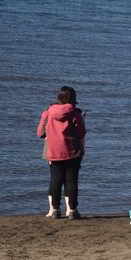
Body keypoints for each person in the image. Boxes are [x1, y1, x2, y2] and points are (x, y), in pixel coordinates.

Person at [37, 85, 86, 219]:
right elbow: (81, 133)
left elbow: (40, 132)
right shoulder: (75, 113)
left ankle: (55, 210)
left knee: (55, 180)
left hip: (53, 150)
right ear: (73, 98)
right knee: (71, 181)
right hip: (72, 151)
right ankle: (72, 210)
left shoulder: (48, 111)